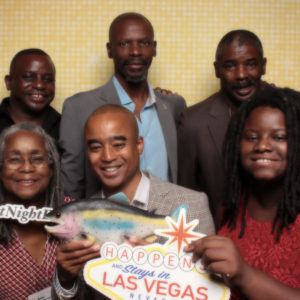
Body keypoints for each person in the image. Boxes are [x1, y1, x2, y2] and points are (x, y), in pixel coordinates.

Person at [52, 104, 215, 299]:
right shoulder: (77, 218)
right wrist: (65, 280)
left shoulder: (192, 205)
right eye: (96, 148)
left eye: (119, 145)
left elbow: (207, 289)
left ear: (139, 145)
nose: (108, 156)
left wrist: (157, 271)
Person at [185, 87, 300, 300]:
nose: (263, 145)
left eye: (279, 137)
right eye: (252, 137)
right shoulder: (229, 207)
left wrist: (246, 276)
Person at [59, 12, 186, 200]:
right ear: (110, 50)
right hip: (105, 224)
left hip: (168, 223)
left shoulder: (174, 105)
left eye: (144, 43)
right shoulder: (79, 108)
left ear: (154, 48)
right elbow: (71, 186)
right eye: (124, 43)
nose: (135, 51)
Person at [177, 30, 267, 223]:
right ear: (217, 69)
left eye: (250, 64)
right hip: (219, 238)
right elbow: (186, 196)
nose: (241, 75)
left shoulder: (288, 114)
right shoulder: (193, 122)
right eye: (230, 66)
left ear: (263, 66)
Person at [0, 123, 64, 299]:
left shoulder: (75, 214)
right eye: (14, 160)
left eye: (37, 159)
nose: (26, 168)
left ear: (51, 168)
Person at [0, 48, 60, 140]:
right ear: (9, 82)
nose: (39, 85)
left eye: (47, 79)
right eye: (29, 77)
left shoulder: (66, 127)